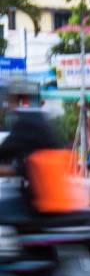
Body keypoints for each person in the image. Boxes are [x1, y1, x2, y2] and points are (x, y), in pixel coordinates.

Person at [0, 77, 54, 227]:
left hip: (41, 198)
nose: (5, 104)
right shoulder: (40, 118)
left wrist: (12, 170)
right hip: (46, 192)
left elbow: (5, 151)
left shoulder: (25, 122)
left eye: (6, 98)